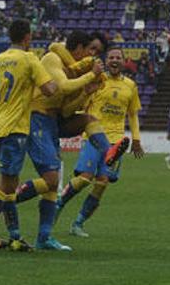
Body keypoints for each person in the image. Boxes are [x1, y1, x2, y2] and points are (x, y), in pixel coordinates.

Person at [13, 31, 117, 252]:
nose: (93, 56)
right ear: (78, 48)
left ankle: (43, 237)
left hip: (52, 121)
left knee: (89, 120)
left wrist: (86, 92)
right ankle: (4, 199)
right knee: (51, 180)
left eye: (97, 53)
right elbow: (62, 87)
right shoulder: (53, 58)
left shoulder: (75, 71)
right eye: (91, 50)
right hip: (37, 118)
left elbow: (67, 109)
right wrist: (89, 77)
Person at [0, 20, 57, 254]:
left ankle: (15, 237)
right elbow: (49, 89)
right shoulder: (29, 59)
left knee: (11, 184)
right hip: (15, 128)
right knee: (5, 183)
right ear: (28, 37)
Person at [57, 46, 144, 238]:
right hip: (95, 136)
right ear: (106, 60)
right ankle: (58, 205)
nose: (114, 60)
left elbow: (133, 114)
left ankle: (78, 223)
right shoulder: (97, 79)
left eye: (118, 58)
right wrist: (86, 93)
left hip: (116, 143)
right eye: (111, 57)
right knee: (85, 178)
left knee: (102, 183)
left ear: (123, 61)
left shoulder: (130, 85)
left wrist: (136, 139)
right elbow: (82, 103)